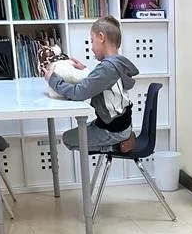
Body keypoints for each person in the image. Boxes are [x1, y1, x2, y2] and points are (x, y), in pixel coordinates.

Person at [44, 16, 139, 154]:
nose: (91, 47)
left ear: (101, 37)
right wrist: (85, 71)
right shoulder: (116, 64)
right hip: (120, 124)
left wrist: (52, 80)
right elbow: (101, 83)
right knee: (76, 135)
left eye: (92, 41)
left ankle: (117, 147)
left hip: (113, 130)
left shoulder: (107, 68)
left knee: (68, 138)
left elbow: (78, 93)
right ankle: (121, 140)